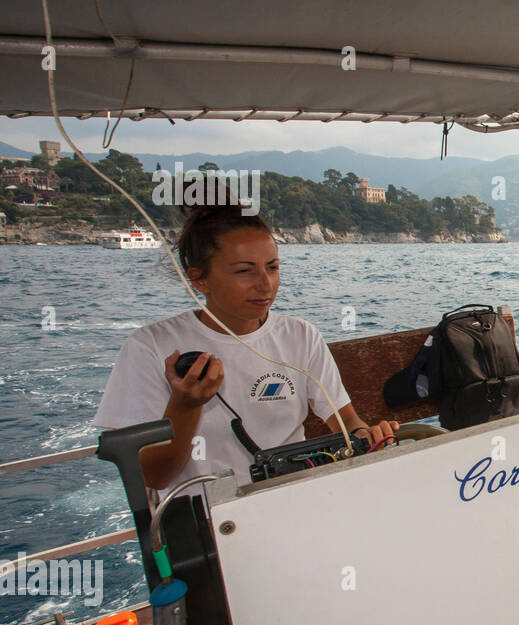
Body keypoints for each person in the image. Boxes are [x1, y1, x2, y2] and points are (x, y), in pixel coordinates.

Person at [95, 199, 399, 496]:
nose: (265, 284)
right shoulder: (150, 347)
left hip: (296, 500)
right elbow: (155, 477)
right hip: (205, 520)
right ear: (199, 279)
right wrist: (185, 405)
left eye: (272, 267)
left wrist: (366, 437)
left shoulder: (301, 336)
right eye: (244, 271)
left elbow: (346, 422)